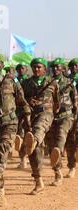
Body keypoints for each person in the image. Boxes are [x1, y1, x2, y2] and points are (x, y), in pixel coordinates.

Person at [0, 54, 30, 208]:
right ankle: (0, 195)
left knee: (2, 151)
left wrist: (27, 117)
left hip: (9, 122)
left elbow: (22, 101)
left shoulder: (11, 81)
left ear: (2, 65)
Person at [22, 57, 60, 195]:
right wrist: (28, 101)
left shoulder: (52, 83)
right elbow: (20, 100)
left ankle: (57, 172)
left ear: (44, 68)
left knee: (40, 131)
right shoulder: (25, 83)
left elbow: (57, 103)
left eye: (39, 67)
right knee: (34, 151)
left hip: (46, 115)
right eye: (34, 67)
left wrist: (52, 114)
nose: (36, 69)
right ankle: (38, 181)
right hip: (31, 116)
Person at [46, 58, 77, 186]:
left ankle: (71, 167)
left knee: (64, 140)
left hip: (67, 117)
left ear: (63, 69)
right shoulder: (48, 83)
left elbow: (75, 101)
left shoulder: (70, 83)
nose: (55, 69)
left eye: (58, 67)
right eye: (53, 67)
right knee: (51, 145)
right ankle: (57, 172)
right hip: (51, 117)